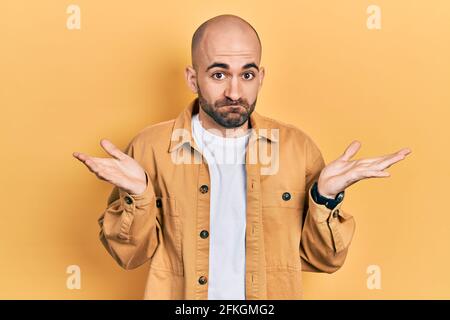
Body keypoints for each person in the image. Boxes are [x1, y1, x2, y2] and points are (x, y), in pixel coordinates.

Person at [73, 14, 411, 300]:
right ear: (193, 79)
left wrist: (324, 197)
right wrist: (140, 196)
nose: (235, 92)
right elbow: (129, 256)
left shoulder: (297, 148)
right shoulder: (149, 147)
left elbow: (324, 259)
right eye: (219, 74)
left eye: (247, 75)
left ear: (260, 77)